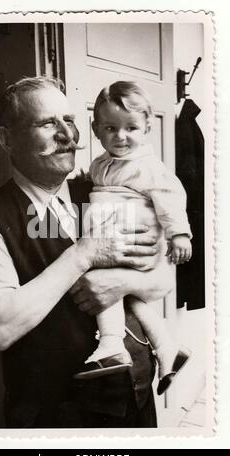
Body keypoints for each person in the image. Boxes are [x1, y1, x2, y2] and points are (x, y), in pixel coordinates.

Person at [0, 76, 168, 428]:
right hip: (56, 416)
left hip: (134, 398)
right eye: (47, 123)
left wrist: (120, 283)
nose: (67, 135)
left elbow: (162, 281)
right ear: (7, 139)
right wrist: (83, 254)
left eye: (70, 121)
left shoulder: (105, 189)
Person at [74, 81, 191, 395]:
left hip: (131, 235)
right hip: (116, 230)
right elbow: (98, 181)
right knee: (131, 298)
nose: (121, 136)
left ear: (147, 127)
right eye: (110, 127)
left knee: (102, 277)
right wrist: (86, 180)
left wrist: (179, 233)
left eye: (131, 128)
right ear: (96, 129)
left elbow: (170, 196)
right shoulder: (100, 163)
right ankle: (167, 348)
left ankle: (112, 344)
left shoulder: (149, 167)